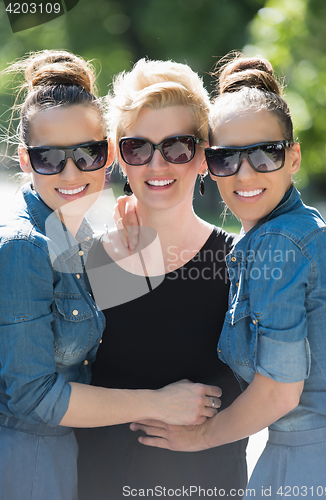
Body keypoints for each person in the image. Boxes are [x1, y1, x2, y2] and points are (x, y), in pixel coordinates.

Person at [0, 50, 222, 500]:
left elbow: (93, 334)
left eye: (87, 153)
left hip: (71, 465)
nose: (70, 171)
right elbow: (33, 396)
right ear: (25, 160)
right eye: (48, 158)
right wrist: (159, 403)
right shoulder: (24, 245)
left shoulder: (73, 233)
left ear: (106, 156)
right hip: (32, 466)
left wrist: (125, 262)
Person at [130, 54, 326, 498]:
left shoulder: (277, 244)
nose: (244, 174)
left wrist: (200, 437)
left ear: (294, 156)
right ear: (209, 163)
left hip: (305, 467)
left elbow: (280, 391)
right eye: (226, 159)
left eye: (265, 154)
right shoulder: (265, 242)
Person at [75, 58, 248, 499]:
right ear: (118, 156)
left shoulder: (241, 261)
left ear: (204, 156)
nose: (157, 164)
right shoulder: (93, 259)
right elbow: (52, 387)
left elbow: (279, 392)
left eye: (176, 147)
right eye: (138, 148)